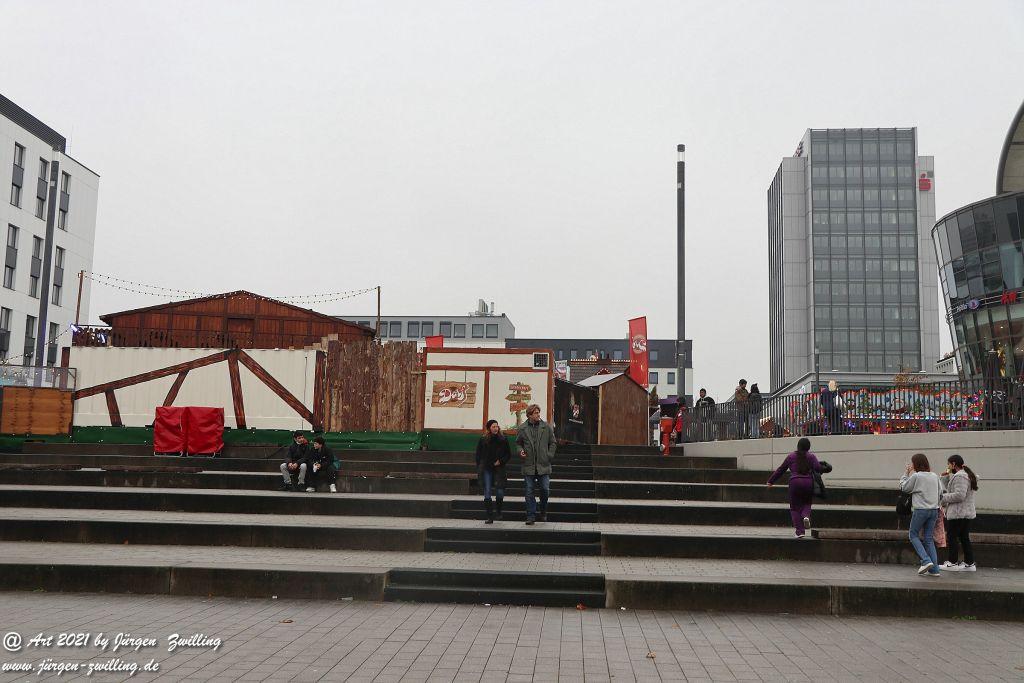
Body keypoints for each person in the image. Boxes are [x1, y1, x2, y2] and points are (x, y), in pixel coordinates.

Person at [766, 437, 824, 538]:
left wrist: (771, 481)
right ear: (808, 447)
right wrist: (823, 466)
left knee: (794, 508)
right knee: (807, 502)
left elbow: (781, 469)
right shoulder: (811, 457)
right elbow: (818, 468)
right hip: (808, 482)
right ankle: (805, 516)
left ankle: (800, 531)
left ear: (798, 446)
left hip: (795, 482)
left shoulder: (791, 456)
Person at [900, 453, 944, 577]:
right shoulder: (934, 476)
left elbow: (904, 487)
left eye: (912, 462)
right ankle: (934, 570)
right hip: (934, 510)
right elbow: (941, 493)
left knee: (913, 535)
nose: (911, 465)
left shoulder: (917, 476)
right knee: (928, 539)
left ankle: (925, 560)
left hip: (920, 510)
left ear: (916, 464)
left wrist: (906, 473)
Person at [515, 404, 557, 525]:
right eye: (536, 413)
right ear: (529, 415)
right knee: (529, 492)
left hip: (543, 465)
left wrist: (549, 455)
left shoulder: (546, 427)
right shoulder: (522, 428)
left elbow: (553, 443)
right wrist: (520, 451)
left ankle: (543, 510)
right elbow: (518, 443)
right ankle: (531, 516)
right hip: (529, 465)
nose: (538, 415)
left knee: (545, 489)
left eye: (539, 412)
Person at [940, 454, 979, 572]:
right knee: (964, 538)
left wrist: (942, 497)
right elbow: (954, 490)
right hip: (965, 513)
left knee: (952, 537)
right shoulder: (964, 475)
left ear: (953, 464)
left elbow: (959, 495)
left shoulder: (960, 476)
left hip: (958, 513)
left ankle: (952, 563)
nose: (948, 466)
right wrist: (945, 478)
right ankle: (969, 563)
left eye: (948, 464)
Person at [475, 419, 512, 523]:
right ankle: (490, 516)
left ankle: (499, 512)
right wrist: (480, 466)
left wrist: (501, 461)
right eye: (493, 427)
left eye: (497, 426)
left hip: (499, 468)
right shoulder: (483, 439)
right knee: (487, 491)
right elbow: (478, 454)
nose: (496, 428)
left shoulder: (503, 439)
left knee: (500, 491)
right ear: (489, 428)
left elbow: (508, 454)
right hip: (486, 468)